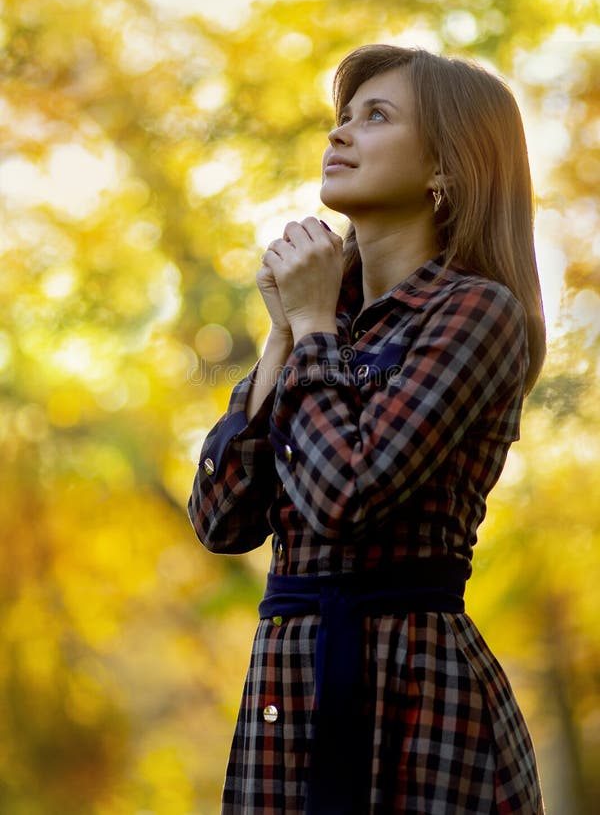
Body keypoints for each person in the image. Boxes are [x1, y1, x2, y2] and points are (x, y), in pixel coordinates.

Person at [188, 44, 546, 814]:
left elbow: (347, 496)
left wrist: (311, 324)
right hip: (286, 693)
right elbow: (221, 521)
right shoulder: (325, 318)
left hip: (413, 697)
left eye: (375, 117)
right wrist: (284, 335)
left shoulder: (477, 313)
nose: (340, 135)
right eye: (341, 118)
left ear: (444, 170)